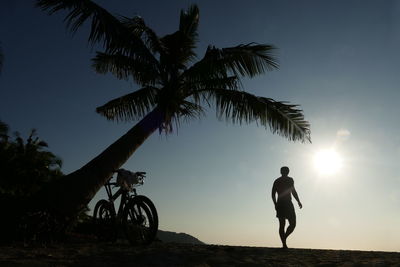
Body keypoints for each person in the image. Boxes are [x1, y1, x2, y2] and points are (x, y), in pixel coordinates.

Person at [271, 166, 302, 249]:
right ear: (282, 172)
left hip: (287, 203)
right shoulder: (277, 181)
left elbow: (293, 191)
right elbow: (273, 193)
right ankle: (284, 244)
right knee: (282, 224)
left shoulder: (290, 180)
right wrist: (275, 204)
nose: (286, 172)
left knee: (292, 224)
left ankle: (284, 238)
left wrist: (298, 201)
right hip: (282, 204)